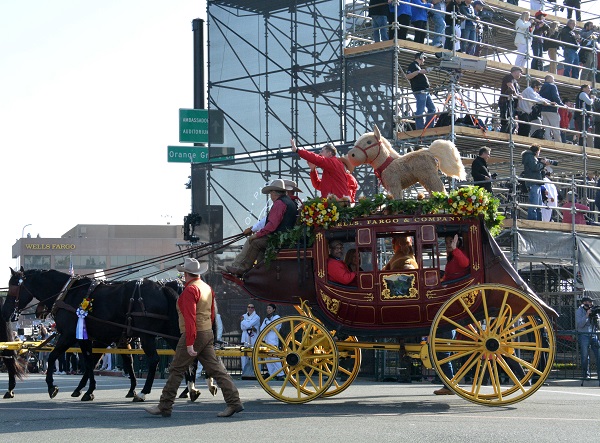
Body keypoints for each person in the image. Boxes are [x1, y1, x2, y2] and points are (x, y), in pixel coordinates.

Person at [145, 258, 243, 418]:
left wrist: (190, 343)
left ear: (185, 273)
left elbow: (190, 319)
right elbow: (211, 314)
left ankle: (164, 405)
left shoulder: (190, 291)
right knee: (217, 370)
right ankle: (234, 402)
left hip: (194, 334)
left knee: (176, 369)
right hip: (206, 332)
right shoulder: (206, 288)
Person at [226, 179, 298, 276]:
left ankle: (243, 269)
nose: (270, 196)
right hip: (285, 237)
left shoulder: (279, 203)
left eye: (270, 193)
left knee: (256, 243)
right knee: (260, 243)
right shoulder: (290, 202)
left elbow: (272, 225)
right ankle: (258, 270)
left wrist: (256, 235)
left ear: (273, 193)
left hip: (279, 239)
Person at [406, 52, 435, 130]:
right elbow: (408, 76)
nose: (424, 60)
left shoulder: (417, 66)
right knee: (420, 110)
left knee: (432, 109)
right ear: (420, 57)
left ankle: (429, 126)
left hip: (425, 91)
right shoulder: (413, 65)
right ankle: (420, 128)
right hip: (420, 91)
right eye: (424, 58)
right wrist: (419, 72)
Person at [522, 144, 551, 221]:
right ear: (536, 151)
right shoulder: (530, 157)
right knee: (534, 205)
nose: (539, 154)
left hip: (536, 183)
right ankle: (533, 221)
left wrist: (542, 166)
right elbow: (534, 167)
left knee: (538, 205)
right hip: (533, 183)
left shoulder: (531, 157)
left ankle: (538, 221)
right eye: (539, 152)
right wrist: (542, 164)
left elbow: (535, 168)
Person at [574, 297, 599, 381]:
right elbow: (580, 325)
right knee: (585, 356)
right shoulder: (579, 311)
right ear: (584, 303)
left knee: (598, 354)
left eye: (591, 302)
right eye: (588, 302)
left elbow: (597, 324)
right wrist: (587, 315)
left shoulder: (593, 310)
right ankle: (585, 374)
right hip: (583, 335)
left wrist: (597, 318)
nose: (590, 303)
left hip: (593, 334)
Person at [259, 304, 283, 380]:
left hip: (273, 340)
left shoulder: (277, 317)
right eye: (267, 308)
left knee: (274, 357)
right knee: (268, 358)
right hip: (266, 340)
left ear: (274, 309)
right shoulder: (266, 318)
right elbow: (262, 329)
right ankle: (273, 374)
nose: (268, 309)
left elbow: (274, 327)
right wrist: (268, 327)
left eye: (270, 308)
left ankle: (280, 374)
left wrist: (267, 327)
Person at [539, 75, 564, 142]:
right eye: (553, 79)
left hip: (543, 109)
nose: (554, 81)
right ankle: (558, 141)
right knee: (555, 127)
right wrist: (562, 105)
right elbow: (556, 97)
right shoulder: (552, 86)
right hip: (552, 109)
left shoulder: (542, 87)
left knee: (546, 127)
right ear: (549, 79)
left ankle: (547, 140)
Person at [498, 67, 523, 133]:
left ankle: (507, 136)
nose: (521, 74)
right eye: (519, 72)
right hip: (505, 102)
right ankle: (503, 136)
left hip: (511, 103)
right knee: (506, 120)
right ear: (514, 72)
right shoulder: (508, 77)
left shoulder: (515, 81)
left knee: (512, 122)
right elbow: (510, 86)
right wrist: (516, 95)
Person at [240, 303, 261, 373]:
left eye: (252, 307)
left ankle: (256, 372)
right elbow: (242, 327)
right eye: (249, 307)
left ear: (254, 308)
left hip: (253, 337)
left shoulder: (257, 317)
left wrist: (243, 321)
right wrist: (249, 326)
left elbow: (248, 325)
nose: (250, 308)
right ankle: (244, 371)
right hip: (245, 336)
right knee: (244, 354)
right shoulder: (244, 315)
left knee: (254, 353)